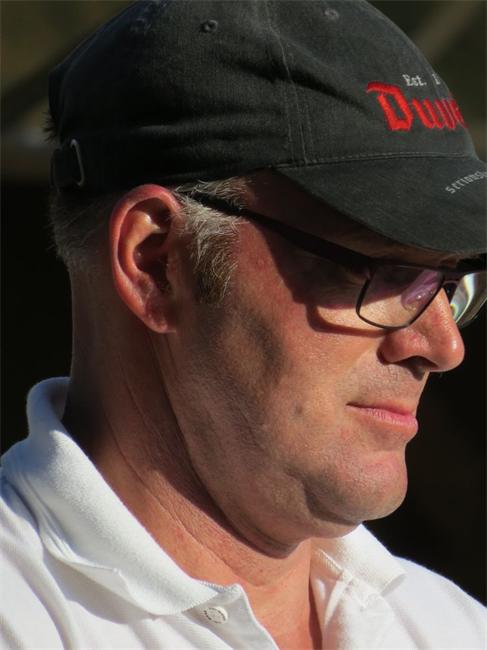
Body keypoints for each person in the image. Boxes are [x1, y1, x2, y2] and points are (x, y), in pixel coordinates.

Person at [1, 0, 486, 648]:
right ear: (155, 263)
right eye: (379, 272)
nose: (443, 346)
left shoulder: (450, 627)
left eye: (448, 283)